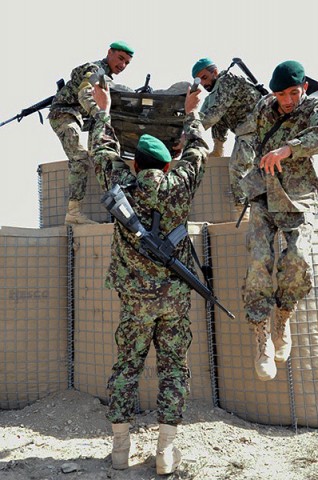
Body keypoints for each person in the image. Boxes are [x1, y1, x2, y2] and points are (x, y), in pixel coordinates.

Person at [90, 81, 209, 474]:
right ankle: (166, 451)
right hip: (174, 301)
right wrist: (192, 111)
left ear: (135, 165)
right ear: (168, 166)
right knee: (174, 369)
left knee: (126, 368)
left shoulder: (120, 184)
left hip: (135, 304)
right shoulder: (180, 184)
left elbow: (102, 148)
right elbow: (198, 149)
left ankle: (121, 448)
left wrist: (104, 108)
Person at [241, 60, 318, 381]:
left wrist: (288, 149)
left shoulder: (312, 108)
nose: (286, 100)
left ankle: (282, 316)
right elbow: (245, 141)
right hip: (263, 194)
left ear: (304, 88)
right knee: (260, 261)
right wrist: (242, 183)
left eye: (292, 93)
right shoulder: (263, 108)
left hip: (298, 196)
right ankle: (262, 339)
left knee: (298, 260)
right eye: (280, 94)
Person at [48, 40, 134, 225]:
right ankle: (73, 213)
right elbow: (84, 95)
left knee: (100, 151)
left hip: (80, 116)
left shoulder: (107, 77)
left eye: (127, 62)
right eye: (120, 58)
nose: (122, 65)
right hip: (64, 113)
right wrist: (101, 115)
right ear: (109, 52)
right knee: (79, 158)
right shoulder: (95, 70)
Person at [191, 57, 263, 214]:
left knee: (237, 168)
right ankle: (218, 148)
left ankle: (244, 212)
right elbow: (209, 115)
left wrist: (188, 133)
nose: (203, 84)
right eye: (199, 81)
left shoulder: (227, 81)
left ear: (215, 72)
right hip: (245, 129)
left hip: (256, 128)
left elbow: (212, 116)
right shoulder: (214, 95)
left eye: (204, 77)